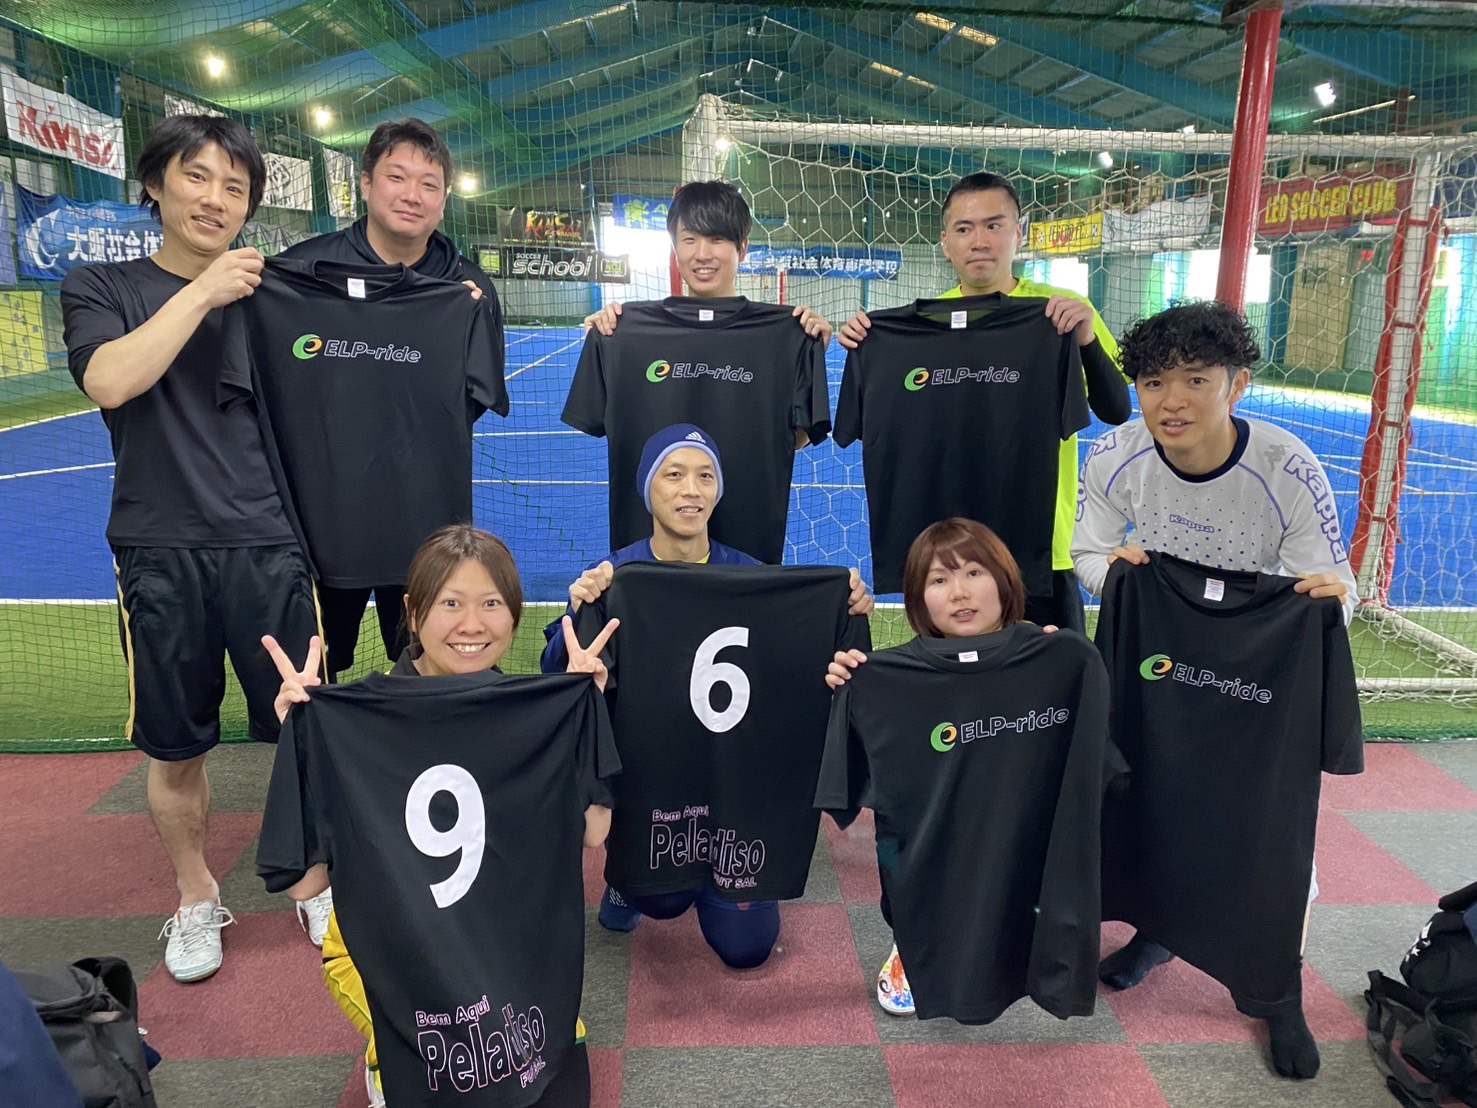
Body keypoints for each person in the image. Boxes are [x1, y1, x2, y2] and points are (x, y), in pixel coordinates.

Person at [60, 115, 319, 984]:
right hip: (159, 548)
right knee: (175, 749)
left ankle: (315, 882)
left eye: (234, 187)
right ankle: (196, 894)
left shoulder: (272, 295)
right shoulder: (101, 285)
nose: (215, 198)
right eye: (197, 177)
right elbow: (110, 380)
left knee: (306, 730)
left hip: (269, 543)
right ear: (156, 184)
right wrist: (205, 290)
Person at [1072, 299, 1357, 1079]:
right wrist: (1118, 575)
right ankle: (1157, 933)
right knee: (1153, 796)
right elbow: (1087, 555)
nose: (1172, 401)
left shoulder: (1287, 468)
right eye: (1153, 382)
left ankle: (1276, 991)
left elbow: (1336, 590)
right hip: (1161, 649)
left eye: (1196, 379)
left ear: (1236, 385)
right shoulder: (1115, 456)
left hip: (1255, 658)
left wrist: (1326, 598)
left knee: (1269, 832)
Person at [264, 525, 617, 1107]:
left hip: (506, 952)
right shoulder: (360, 723)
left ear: (515, 614)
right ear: (412, 611)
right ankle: (383, 1062)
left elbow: (594, 830)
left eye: (491, 604)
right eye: (451, 604)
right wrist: (302, 745)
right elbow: (305, 883)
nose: (472, 625)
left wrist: (586, 716)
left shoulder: (528, 714)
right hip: (402, 960)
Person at [541, 423, 874, 964]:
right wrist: (578, 614)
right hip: (653, 781)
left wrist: (844, 610)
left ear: (719, 490)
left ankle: (719, 880)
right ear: (647, 487)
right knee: (660, 899)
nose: (691, 490)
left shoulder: (755, 578)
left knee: (749, 948)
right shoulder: (614, 578)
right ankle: (628, 880)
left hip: (735, 783)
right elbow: (558, 678)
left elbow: (797, 670)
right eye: (673, 475)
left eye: (705, 476)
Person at [838, 172, 1130, 631]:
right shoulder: (915, 331)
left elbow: (1116, 410)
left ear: (1019, 232)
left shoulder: (1059, 313)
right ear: (945, 242)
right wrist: (868, 343)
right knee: (952, 675)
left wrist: (1087, 340)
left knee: (1056, 671)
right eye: (964, 228)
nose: (979, 241)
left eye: (994, 225)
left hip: (1038, 550)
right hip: (949, 557)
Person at [281, 117, 505, 686]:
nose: (412, 195)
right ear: (365, 184)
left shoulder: (468, 292)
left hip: (426, 524)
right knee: (312, 678)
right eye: (396, 177)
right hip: (320, 525)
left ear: (445, 198)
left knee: (436, 671)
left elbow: (470, 401)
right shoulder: (300, 274)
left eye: (429, 184)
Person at [825, 518, 1078, 1016]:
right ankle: (910, 942)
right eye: (938, 580)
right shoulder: (890, 678)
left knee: (1013, 891)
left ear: (1005, 580)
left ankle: (1015, 947)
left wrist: (1058, 668)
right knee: (905, 872)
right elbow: (854, 780)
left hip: (1014, 822)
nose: (959, 592)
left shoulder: (1051, 657)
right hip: (925, 834)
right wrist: (849, 693)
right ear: (918, 599)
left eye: (974, 573)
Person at [583, 179, 833, 354]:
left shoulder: (782, 336)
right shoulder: (630, 331)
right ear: (675, 249)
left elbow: (798, 417)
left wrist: (806, 350)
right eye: (689, 240)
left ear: (742, 249)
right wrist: (604, 342)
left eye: (716, 239)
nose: (702, 255)